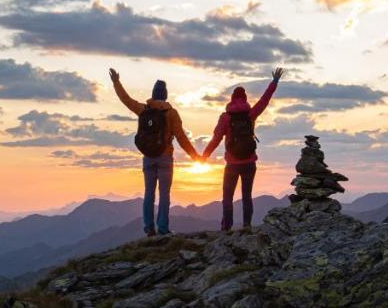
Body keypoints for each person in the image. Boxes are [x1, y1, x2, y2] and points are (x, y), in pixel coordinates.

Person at [109, 68, 199, 236]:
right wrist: (195, 156)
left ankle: (149, 228)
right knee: (164, 193)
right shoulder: (171, 113)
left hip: (148, 157)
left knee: (148, 192)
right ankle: (163, 228)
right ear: (165, 95)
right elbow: (181, 138)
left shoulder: (143, 110)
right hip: (165, 157)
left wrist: (116, 82)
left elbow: (125, 99)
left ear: (153, 93)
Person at [201, 67, 284, 231]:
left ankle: (227, 227)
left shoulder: (225, 117)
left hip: (232, 163)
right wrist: (274, 82)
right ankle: (247, 225)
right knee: (247, 196)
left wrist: (204, 155)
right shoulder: (251, 114)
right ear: (245, 99)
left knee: (227, 197)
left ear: (231, 99)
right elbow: (264, 100)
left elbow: (216, 138)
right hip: (249, 162)